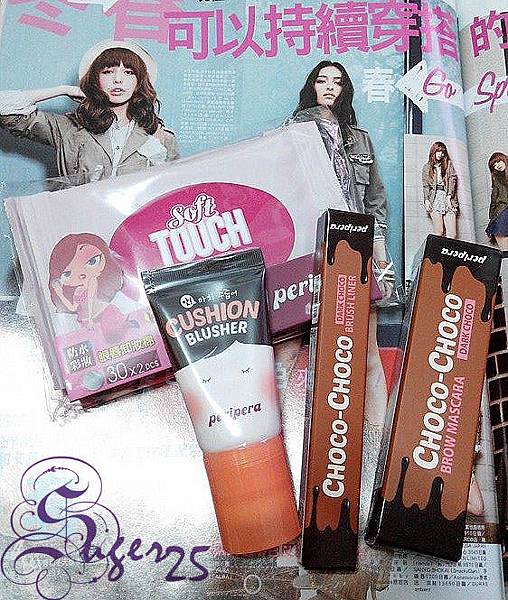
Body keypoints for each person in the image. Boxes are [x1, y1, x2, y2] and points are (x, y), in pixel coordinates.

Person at [0, 40, 178, 182]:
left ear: (139, 81)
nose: (118, 79)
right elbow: (4, 108)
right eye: (108, 72)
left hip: (136, 218)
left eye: (128, 72)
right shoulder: (69, 128)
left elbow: (174, 190)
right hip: (76, 215)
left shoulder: (160, 136)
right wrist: (63, 90)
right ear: (95, 79)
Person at [49, 233, 132, 343]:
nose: (82, 274)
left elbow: (90, 301)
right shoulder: (78, 291)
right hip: (86, 319)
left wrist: (89, 319)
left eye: (92, 261)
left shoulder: (93, 282)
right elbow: (72, 308)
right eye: (67, 274)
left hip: (97, 313)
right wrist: (60, 294)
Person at [422, 141, 458, 238]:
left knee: (452, 234)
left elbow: (452, 179)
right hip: (434, 199)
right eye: (438, 151)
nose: (440, 154)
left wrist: (449, 196)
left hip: (448, 198)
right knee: (439, 232)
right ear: (433, 151)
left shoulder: (448, 164)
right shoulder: (427, 167)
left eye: (442, 152)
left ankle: (448, 249)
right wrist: (426, 200)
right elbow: (426, 185)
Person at [485, 152, 508, 250]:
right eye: (494, 165)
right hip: (501, 212)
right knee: (504, 250)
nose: (497, 165)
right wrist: (491, 219)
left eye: (498, 161)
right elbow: (493, 201)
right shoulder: (497, 180)